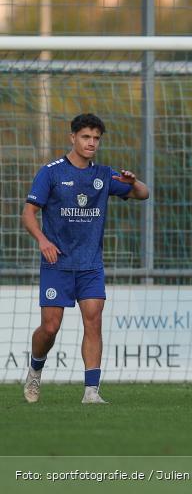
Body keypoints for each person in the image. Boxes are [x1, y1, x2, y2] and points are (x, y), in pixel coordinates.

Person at [23, 113, 150, 405]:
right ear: (73, 138)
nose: (91, 143)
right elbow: (28, 213)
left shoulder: (103, 175)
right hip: (57, 264)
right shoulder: (51, 172)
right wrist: (43, 241)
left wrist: (134, 182)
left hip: (90, 265)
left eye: (96, 139)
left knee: (93, 321)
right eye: (86, 137)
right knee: (50, 328)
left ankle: (91, 391)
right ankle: (35, 367)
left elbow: (144, 193)